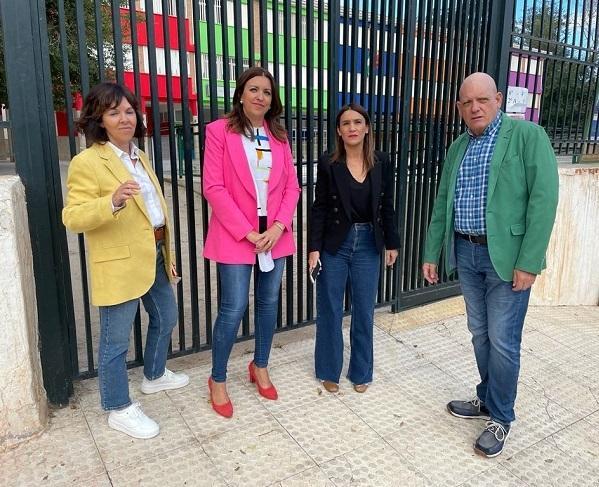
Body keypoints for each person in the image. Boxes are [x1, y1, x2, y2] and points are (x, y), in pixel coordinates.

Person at [422, 72, 559, 457]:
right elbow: (442, 204)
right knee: (480, 334)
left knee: (502, 340)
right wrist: (433, 252)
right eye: (467, 102)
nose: (475, 107)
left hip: (507, 259)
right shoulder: (458, 147)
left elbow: (543, 200)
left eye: (482, 99)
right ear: (459, 108)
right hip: (466, 254)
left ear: (498, 99)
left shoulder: (527, 137)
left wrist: (529, 261)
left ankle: (501, 417)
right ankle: (486, 397)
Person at [62, 82, 189, 439]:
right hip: (119, 262)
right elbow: (72, 217)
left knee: (166, 317)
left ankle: (154, 374)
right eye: (114, 112)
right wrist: (112, 202)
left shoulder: (139, 155)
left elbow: (154, 210)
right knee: (116, 341)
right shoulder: (88, 162)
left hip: (156, 253)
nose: (124, 118)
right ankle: (117, 407)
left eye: (130, 111)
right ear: (99, 119)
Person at [202, 67, 301, 418]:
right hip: (237, 236)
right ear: (241, 94)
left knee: (269, 303)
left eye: (267, 92)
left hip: (274, 235)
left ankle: (260, 365)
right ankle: (217, 379)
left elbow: (292, 187)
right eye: (254, 89)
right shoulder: (218, 132)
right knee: (232, 309)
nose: (260, 96)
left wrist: (277, 227)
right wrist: (247, 232)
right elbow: (213, 187)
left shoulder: (280, 136)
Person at [307, 103, 400, 394]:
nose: (352, 128)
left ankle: (361, 371)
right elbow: (319, 207)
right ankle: (328, 369)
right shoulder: (328, 162)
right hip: (336, 243)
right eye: (345, 123)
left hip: (368, 244)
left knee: (364, 310)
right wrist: (314, 249)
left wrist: (392, 242)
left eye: (357, 122)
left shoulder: (382, 161)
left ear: (367, 127)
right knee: (330, 309)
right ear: (338, 130)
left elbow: (387, 205)